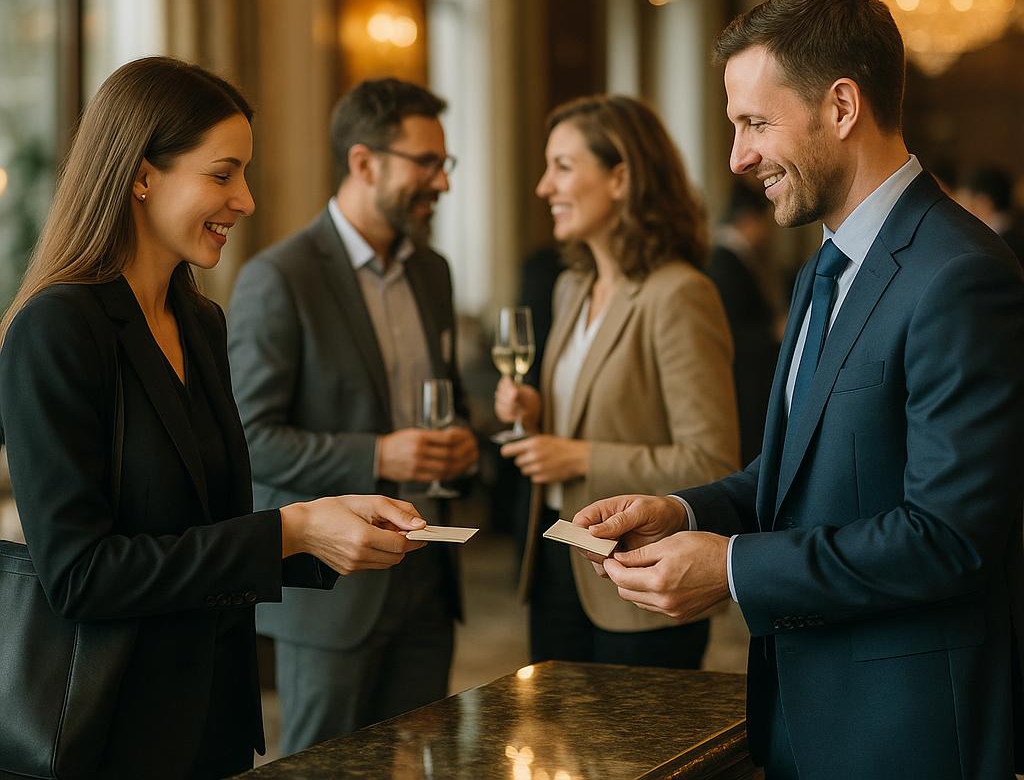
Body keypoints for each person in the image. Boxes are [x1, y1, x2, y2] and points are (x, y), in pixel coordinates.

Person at [575, 0, 1024, 780]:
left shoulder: (960, 275)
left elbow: (951, 538)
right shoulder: (823, 265)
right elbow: (800, 476)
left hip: (908, 734)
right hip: (801, 719)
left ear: (842, 106)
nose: (737, 158)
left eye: (755, 123)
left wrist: (733, 568)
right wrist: (682, 510)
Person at [0, 57, 428, 780]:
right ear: (141, 176)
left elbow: (208, 530)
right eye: (222, 174)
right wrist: (293, 530)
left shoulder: (199, 322)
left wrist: (324, 525)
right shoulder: (57, 329)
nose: (247, 200)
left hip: (212, 725)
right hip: (107, 736)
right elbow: (81, 575)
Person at [228, 77, 477, 752]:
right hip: (330, 591)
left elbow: (444, 398)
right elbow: (249, 440)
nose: (441, 183)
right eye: (427, 164)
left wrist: (464, 441)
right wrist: (379, 456)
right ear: (364, 162)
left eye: (443, 164)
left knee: (426, 763)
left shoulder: (434, 271)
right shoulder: (279, 277)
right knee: (322, 768)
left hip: (428, 573)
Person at [494, 95, 739, 669]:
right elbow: (584, 418)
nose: (543, 187)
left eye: (562, 166)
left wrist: (575, 456)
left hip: (641, 583)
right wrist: (536, 413)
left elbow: (711, 462)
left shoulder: (679, 294)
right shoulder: (569, 288)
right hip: (556, 564)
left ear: (621, 177)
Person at [708, 181, 783, 465]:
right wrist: (773, 332)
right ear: (749, 219)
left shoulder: (737, 258)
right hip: (744, 379)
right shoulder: (725, 262)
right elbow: (731, 330)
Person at [957, 164, 1024, 267]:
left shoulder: (997, 247)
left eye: (963, 203)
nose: (958, 212)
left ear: (983, 203)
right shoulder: (1014, 233)